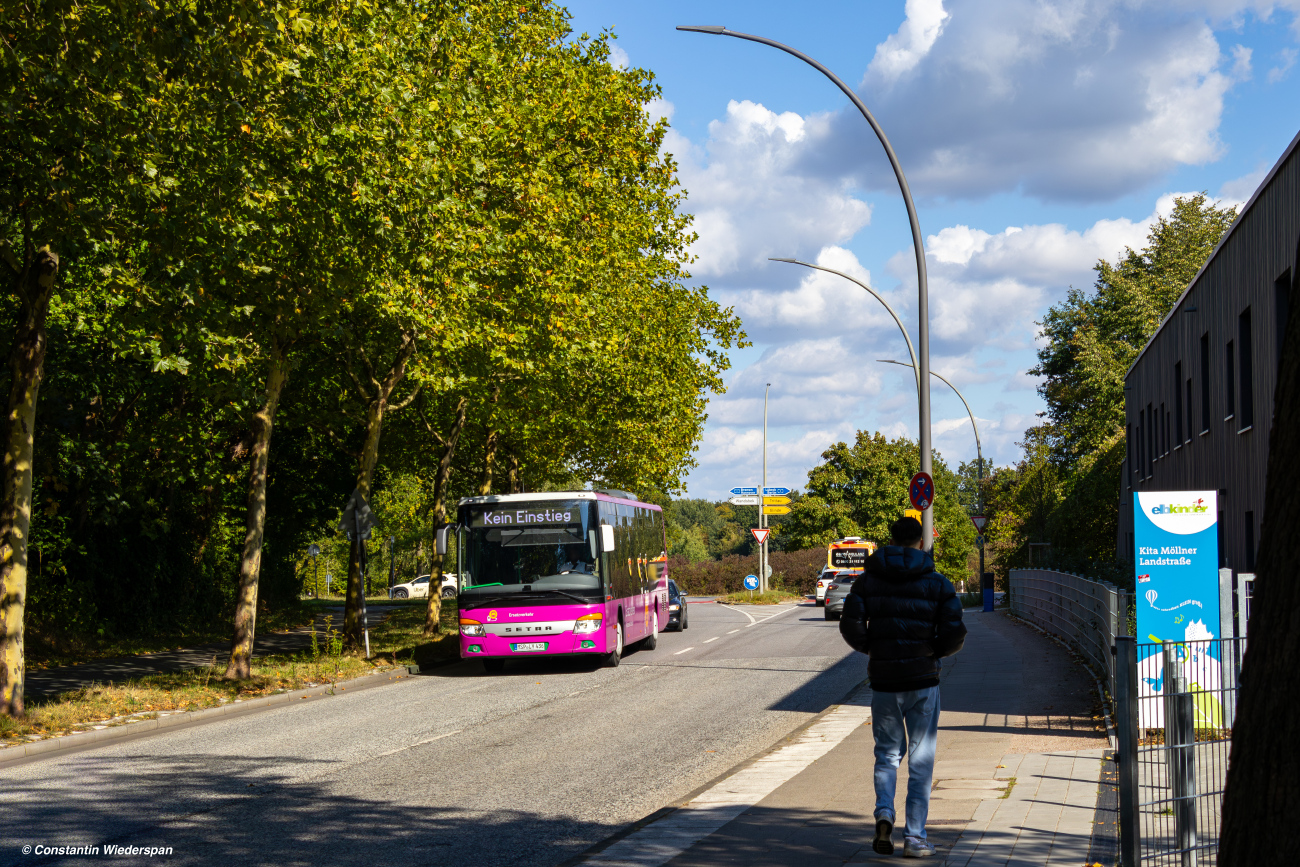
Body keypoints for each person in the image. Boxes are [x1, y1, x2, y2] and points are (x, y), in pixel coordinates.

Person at [839, 515, 966, 858]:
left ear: (891, 541)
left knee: (887, 754)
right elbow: (955, 630)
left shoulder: (867, 581)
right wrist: (933, 652)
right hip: (923, 680)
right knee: (921, 760)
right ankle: (915, 838)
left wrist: (874, 649)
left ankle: (884, 812)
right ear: (921, 543)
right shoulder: (937, 582)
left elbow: (850, 625)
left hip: (884, 682)